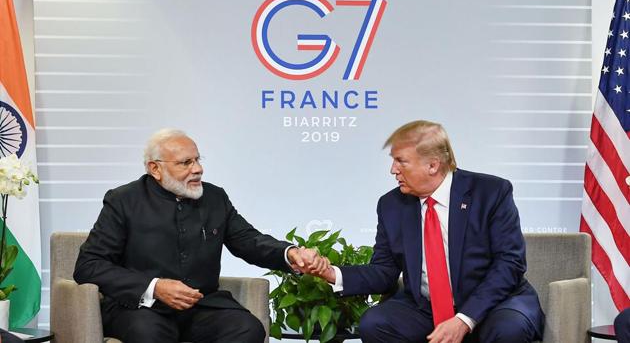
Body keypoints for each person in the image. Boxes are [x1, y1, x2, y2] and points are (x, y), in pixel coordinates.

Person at [74, 129, 329, 343]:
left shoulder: (215, 198)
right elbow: (89, 265)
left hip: (202, 306)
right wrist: (154, 287)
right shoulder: (124, 200)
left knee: (247, 329)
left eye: (197, 160)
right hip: (142, 308)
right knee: (148, 334)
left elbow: (249, 241)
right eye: (186, 163)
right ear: (155, 168)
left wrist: (290, 253)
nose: (198, 169)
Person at [309, 120, 544, 343]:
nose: (393, 170)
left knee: (508, 329)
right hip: (427, 308)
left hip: (494, 304)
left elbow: (509, 263)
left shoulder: (490, 192)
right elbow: (384, 271)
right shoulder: (391, 205)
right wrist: (332, 274)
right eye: (393, 160)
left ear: (432, 165)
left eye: (401, 161)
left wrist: (464, 319)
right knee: (375, 323)